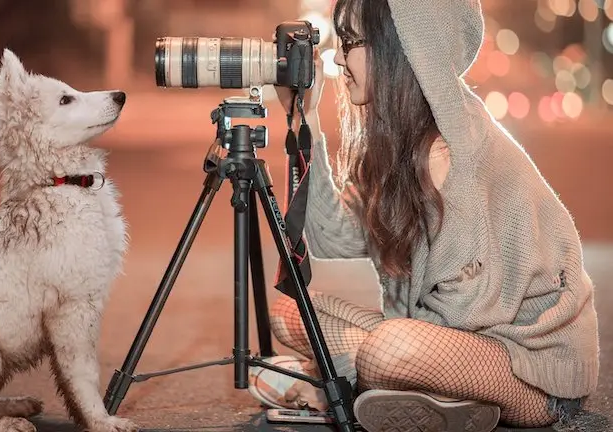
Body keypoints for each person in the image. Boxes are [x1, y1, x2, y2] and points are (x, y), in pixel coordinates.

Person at [246, 1, 600, 431]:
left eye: (352, 42)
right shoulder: (400, 145)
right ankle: (421, 397)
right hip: (443, 343)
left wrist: (355, 361)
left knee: (389, 350)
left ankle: (340, 384)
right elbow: (329, 236)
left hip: (530, 374)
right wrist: (307, 119)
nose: (337, 58)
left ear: (405, 50)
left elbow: (465, 320)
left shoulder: (454, 155)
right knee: (288, 312)